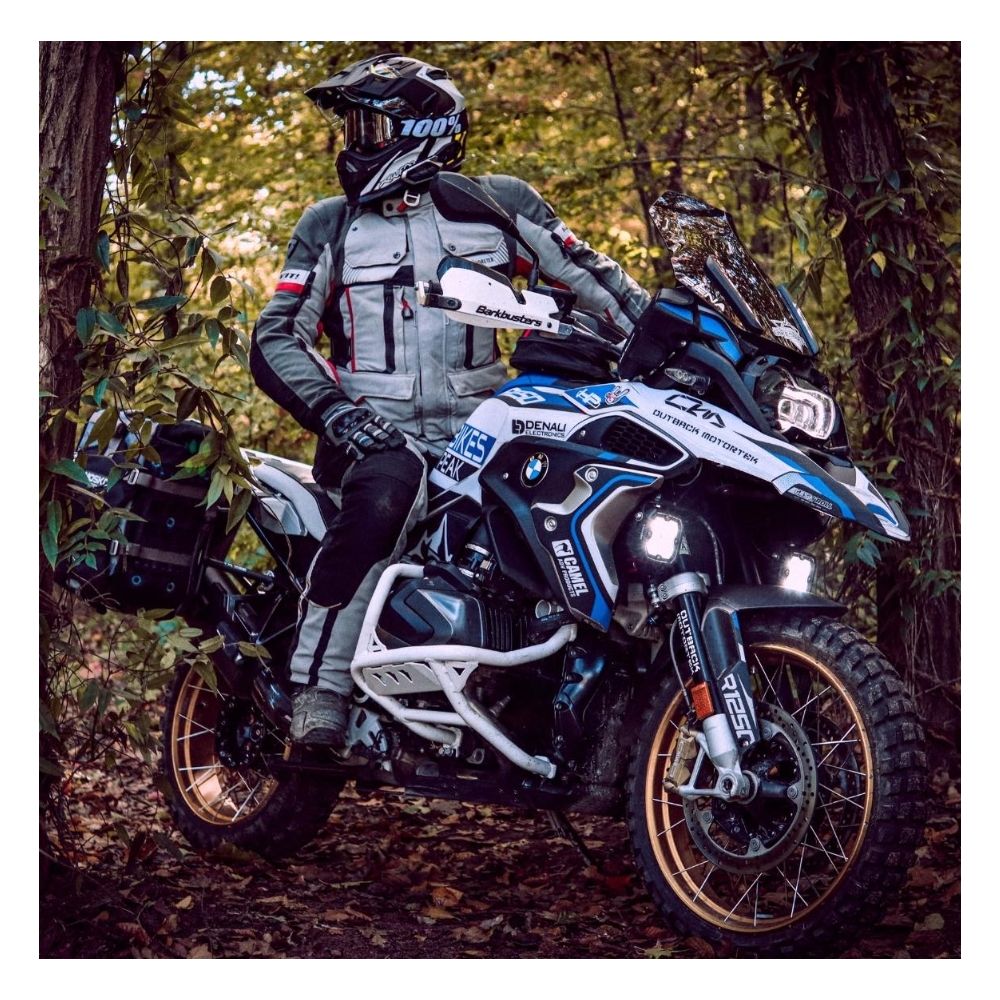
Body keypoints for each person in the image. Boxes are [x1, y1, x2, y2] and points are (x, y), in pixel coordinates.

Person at [250, 52, 650, 751]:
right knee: (388, 495)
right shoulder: (330, 224)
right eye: (353, 128)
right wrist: (338, 413)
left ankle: (583, 696)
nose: (355, 145)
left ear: (426, 132)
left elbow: (597, 285)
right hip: (372, 436)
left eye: (370, 128)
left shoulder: (497, 205)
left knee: (590, 495)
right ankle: (321, 685)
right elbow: (277, 335)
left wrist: (671, 342)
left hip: (487, 433)